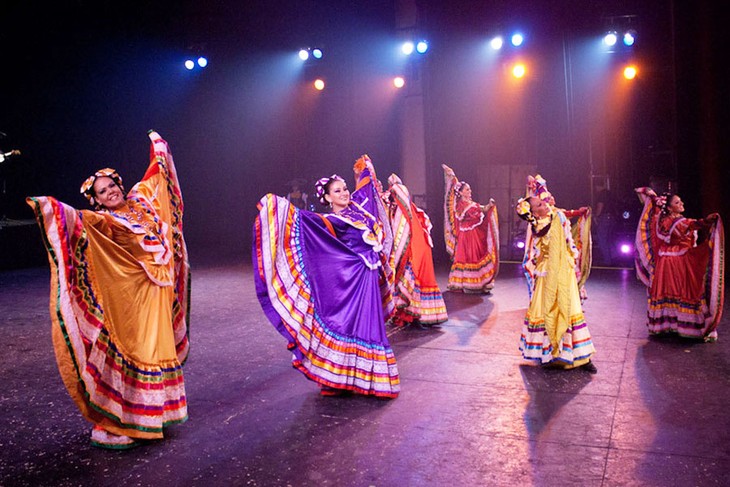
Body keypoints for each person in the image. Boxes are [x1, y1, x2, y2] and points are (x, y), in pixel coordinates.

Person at [26, 131, 190, 449]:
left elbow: (156, 180)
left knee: (158, 352)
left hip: (158, 296)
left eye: (112, 185)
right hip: (134, 300)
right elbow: (80, 222)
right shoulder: (107, 220)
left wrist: (158, 150)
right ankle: (122, 419)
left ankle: (154, 415)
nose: (111, 192)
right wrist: (52, 209)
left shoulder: (140, 201)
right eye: (103, 192)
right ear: (97, 199)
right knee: (138, 351)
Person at [253, 166, 400, 398]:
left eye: (345, 189)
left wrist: (366, 174)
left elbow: (366, 195)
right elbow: (307, 222)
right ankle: (337, 379)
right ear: (328, 197)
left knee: (366, 325)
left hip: (367, 278)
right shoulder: (333, 220)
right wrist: (279, 209)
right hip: (349, 280)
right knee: (345, 325)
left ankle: (364, 378)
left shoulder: (358, 214)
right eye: (337, 191)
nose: (344, 193)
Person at [515, 177, 597, 373]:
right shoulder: (538, 226)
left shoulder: (557, 216)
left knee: (570, 309)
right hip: (546, 274)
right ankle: (552, 354)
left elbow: (566, 221)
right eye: (540, 203)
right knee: (548, 310)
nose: (545, 202)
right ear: (534, 212)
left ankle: (582, 357)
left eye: (543, 200)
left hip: (564, 271)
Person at [634, 187, 724, 341]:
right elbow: (693, 224)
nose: (681, 203)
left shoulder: (663, 220)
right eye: (677, 202)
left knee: (671, 292)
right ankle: (685, 326)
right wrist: (709, 221)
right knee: (685, 291)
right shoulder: (675, 221)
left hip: (666, 262)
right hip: (677, 261)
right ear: (669, 208)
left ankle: (668, 325)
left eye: (680, 200)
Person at [385, 172, 448, 327]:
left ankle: (418, 315)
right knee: (413, 275)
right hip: (413, 244)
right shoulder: (396, 208)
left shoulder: (406, 208)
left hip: (416, 242)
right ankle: (411, 315)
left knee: (418, 274)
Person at [442, 164, 499, 294]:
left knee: (476, 256)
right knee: (467, 258)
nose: (470, 191)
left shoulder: (471, 204)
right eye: (467, 190)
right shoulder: (460, 206)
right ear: (461, 192)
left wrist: (490, 205)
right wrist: (451, 177)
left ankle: (479, 283)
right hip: (466, 237)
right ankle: (466, 283)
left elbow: (482, 209)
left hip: (474, 235)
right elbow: (469, 211)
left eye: (470, 189)